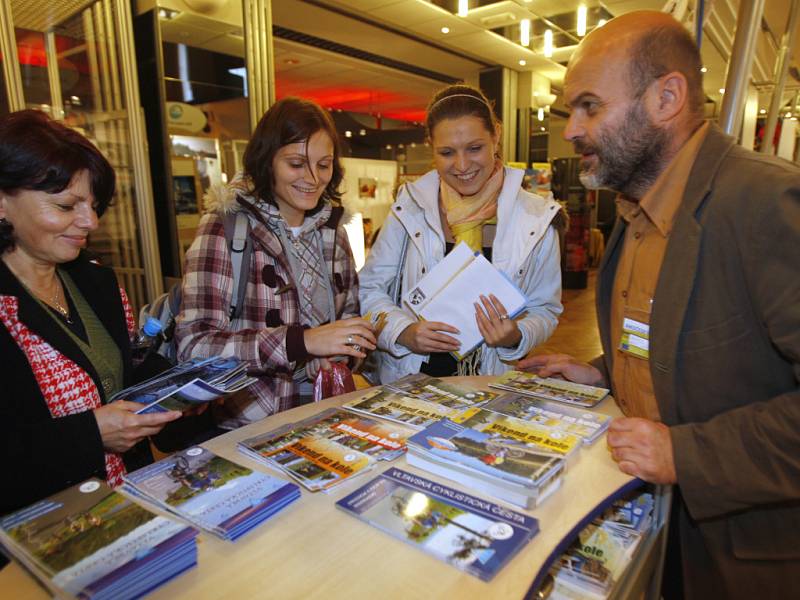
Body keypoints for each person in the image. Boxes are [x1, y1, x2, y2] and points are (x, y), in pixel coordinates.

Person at [518, 11, 800, 598]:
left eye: (590, 106)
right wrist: (601, 373)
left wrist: (685, 453)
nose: (571, 130)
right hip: (655, 539)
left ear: (667, 97)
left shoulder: (766, 203)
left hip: (740, 559)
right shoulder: (633, 215)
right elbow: (681, 345)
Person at [0, 110, 181, 517]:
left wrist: (179, 385)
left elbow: (118, 370)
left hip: (125, 503)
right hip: (38, 531)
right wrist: (91, 434)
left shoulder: (94, 282)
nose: (91, 222)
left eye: (94, 205)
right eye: (66, 206)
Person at [175, 97, 375, 428]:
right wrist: (302, 342)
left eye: (323, 165)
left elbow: (346, 320)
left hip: (325, 415)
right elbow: (194, 347)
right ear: (268, 161)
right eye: (296, 164)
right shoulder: (227, 227)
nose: (312, 178)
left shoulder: (333, 229)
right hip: (250, 422)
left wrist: (345, 350)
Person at [359, 84, 563, 383]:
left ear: (496, 135)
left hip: (489, 384)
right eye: (446, 152)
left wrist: (514, 335)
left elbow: (545, 310)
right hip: (411, 383)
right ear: (431, 147)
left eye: (475, 148)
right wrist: (403, 331)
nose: (463, 165)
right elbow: (368, 289)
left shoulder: (536, 218)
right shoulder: (410, 209)